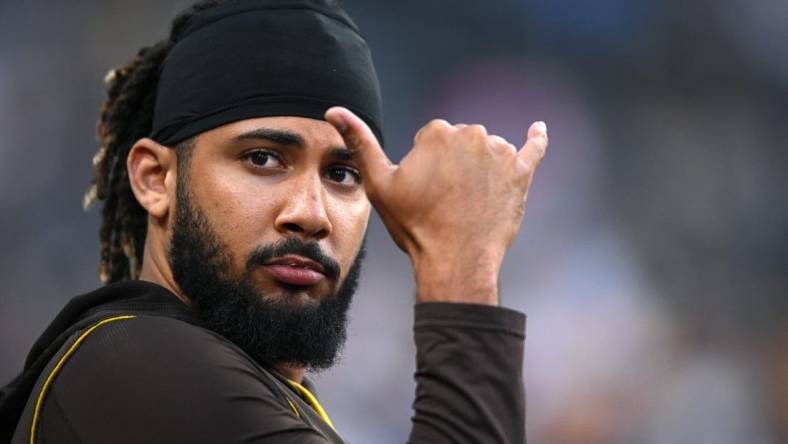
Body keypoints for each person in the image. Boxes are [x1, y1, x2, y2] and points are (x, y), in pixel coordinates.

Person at [0, 0, 548, 442]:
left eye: (343, 174)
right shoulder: (138, 366)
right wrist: (461, 267)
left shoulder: (253, 387)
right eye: (262, 158)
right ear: (155, 178)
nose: (310, 214)